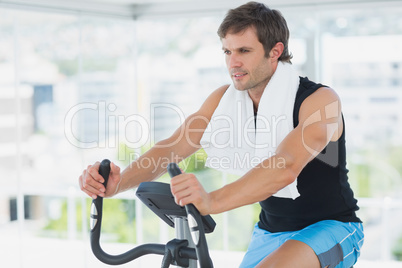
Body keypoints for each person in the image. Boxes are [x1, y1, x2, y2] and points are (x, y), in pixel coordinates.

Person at [79, 2, 364, 267]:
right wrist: (118, 184)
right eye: (227, 52)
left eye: (244, 51)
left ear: (275, 51)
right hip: (270, 230)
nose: (233, 63)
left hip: (333, 227)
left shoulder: (320, 100)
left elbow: (285, 166)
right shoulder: (224, 100)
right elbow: (172, 147)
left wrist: (211, 201)